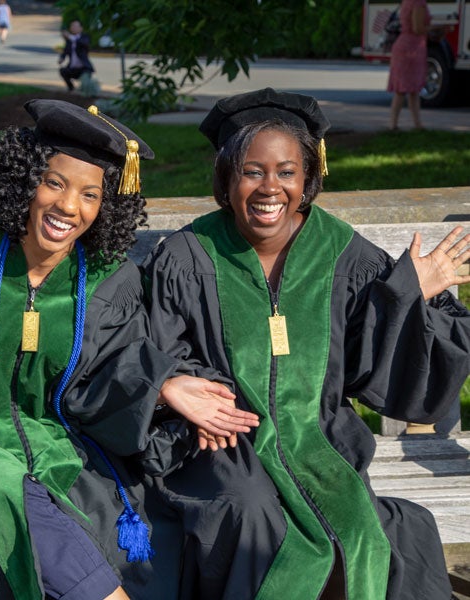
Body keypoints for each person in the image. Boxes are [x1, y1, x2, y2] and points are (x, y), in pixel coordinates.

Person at [0, 99, 261, 600]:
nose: (70, 207)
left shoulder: (110, 281)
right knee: (0, 484)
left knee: (102, 515)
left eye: (91, 194)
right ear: (25, 180)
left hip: (70, 450)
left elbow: (109, 376)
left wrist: (163, 387)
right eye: (55, 183)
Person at [143, 87, 470, 599]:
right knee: (252, 518)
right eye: (252, 171)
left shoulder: (340, 251)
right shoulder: (188, 256)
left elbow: (370, 360)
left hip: (321, 443)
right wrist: (194, 396)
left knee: (374, 533)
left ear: (308, 177)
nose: (269, 187)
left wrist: (411, 294)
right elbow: (160, 351)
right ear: (227, 178)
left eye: (286, 172)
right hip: (225, 445)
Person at [387, 0, 430, 130]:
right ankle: (397, 125)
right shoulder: (418, 3)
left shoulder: (407, 1)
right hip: (412, 48)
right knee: (408, 89)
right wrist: (436, 29)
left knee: (408, 89)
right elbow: (418, 28)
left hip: (404, 45)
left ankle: (408, 124)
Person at [58, 19, 95, 92]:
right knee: (63, 71)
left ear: (81, 28)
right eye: (72, 26)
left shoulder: (85, 37)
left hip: (84, 68)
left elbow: (84, 44)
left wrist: (70, 37)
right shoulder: (69, 40)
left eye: (75, 26)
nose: (73, 28)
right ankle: (71, 88)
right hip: (73, 69)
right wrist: (62, 58)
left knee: (85, 88)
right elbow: (65, 51)